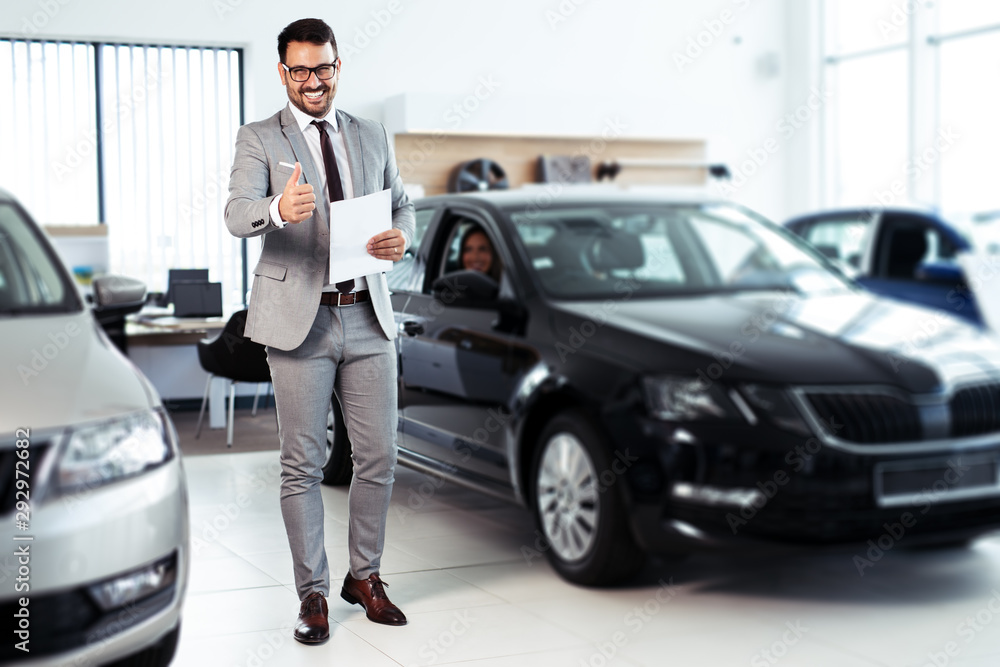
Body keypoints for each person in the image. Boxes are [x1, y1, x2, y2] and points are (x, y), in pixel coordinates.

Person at [224, 17, 414, 645]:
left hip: (367, 314)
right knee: (301, 464)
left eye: (323, 68)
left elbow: (401, 203)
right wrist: (279, 209)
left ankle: (366, 576)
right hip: (298, 323)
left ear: (338, 67)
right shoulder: (259, 137)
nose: (313, 81)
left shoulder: (371, 134)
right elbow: (235, 213)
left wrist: (401, 238)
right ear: (284, 72)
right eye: (300, 70)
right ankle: (312, 593)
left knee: (379, 456)